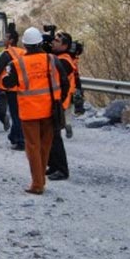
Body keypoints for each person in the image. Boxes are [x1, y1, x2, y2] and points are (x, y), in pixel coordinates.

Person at [2, 27, 69, 195]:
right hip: (50, 111)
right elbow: (65, 82)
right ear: (40, 43)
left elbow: (9, 84)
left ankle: (37, 184)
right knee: (45, 146)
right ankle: (40, 180)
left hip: (29, 112)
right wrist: (60, 101)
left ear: (25, 44)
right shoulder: (52, 59)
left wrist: (5, 76)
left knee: (33, 147)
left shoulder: (17, 64)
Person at [45, 31, 77, 181]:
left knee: (55, 137)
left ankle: (62, 170)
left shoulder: (65, 61)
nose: (54, 42)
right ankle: (53, 166)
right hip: (55, 101)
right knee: (50, 136)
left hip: (59, 103)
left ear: (65, 45)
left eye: (57, 41)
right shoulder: (58, 57)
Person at [0, 27, 26, 150]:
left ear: (11, 40)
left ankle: (20, 141)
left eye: (6, 37)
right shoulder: (23, 52)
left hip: (11, 88)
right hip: (24, 88)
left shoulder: (7, 53)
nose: (4, 39)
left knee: (15, 115)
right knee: (19, 114)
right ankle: (13, 136)